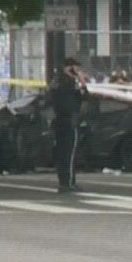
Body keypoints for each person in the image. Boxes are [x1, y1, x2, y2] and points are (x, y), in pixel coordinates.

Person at [49, 59, 88, 193]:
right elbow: (84, 97)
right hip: (69, 121)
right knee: (69, 153)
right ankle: (68, 183)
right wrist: (82, 83)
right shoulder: (68, 83)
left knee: (63, 153)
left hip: (60, 121)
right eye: (76, 69)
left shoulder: (56, 82)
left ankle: (66, 181)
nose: (78, 72)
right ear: (69, 69)